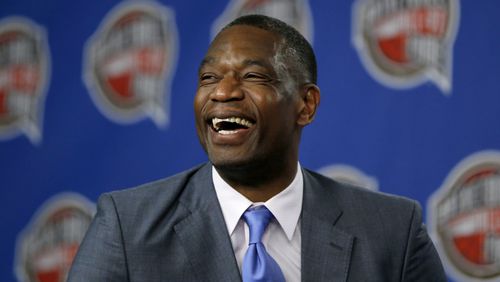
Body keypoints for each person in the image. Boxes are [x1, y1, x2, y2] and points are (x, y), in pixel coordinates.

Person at [68, 14, 446, 281]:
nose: (223, 92)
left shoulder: (393, 231)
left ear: (306, 105)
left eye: (252, 76)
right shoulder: (126, 226)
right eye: (209, 77)